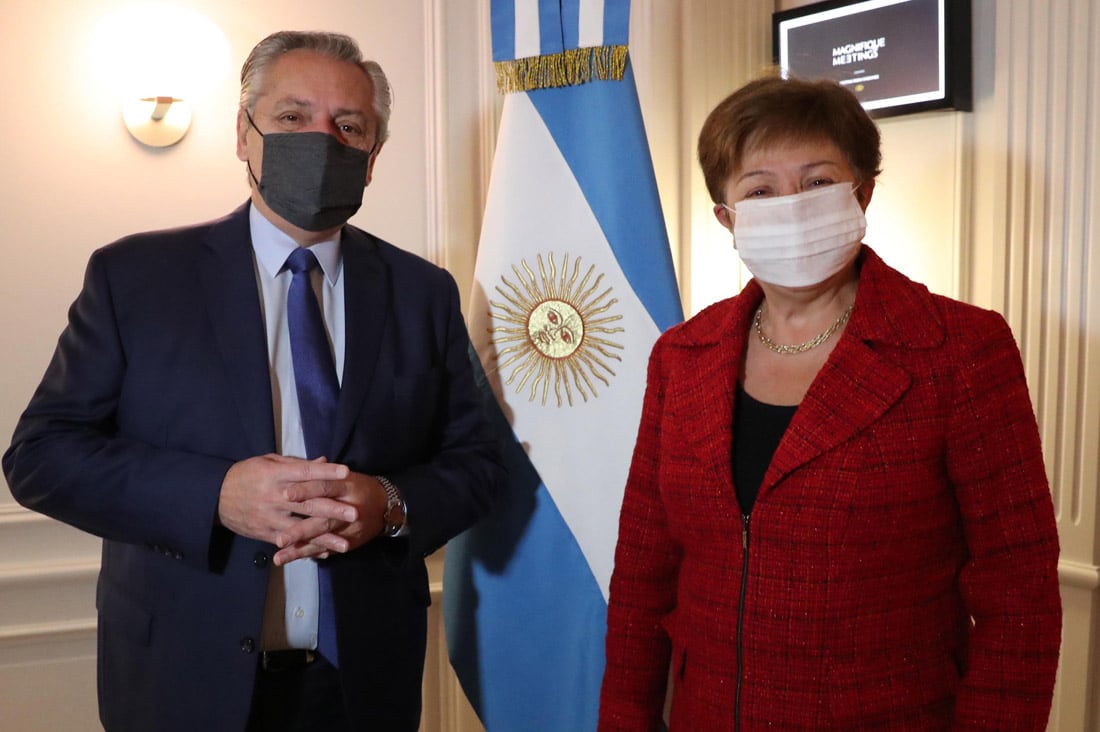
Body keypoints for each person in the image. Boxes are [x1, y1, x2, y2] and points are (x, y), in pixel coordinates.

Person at [3, 30, 504, 732]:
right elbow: (41, 457)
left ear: (373, 157)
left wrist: (388, 502)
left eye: (348, 126)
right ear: (244, 133)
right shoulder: (136, 279)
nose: (321, 139)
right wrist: (214, 495)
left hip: (362, 683)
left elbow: (478, 464)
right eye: (293, 117)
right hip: (183, 680)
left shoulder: (422, 292)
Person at [598, 74, 1062, 730]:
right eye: (761, 190)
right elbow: (644, 573)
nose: (791, 205)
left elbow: (1020, 595)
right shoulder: (682, 356)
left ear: (862, 193)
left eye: (817, 182)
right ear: (728, 219)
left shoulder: (959, 349)